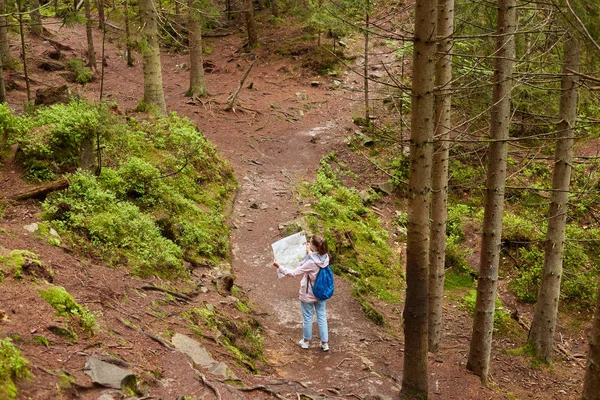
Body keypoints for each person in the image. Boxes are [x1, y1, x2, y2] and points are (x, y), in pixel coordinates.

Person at [274, 235, 330, 351]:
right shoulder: (326, 258)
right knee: (322, 317)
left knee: (308, 317)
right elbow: (316, 260)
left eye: (310, 243)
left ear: (314, 246)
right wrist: (310, 252)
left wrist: (279, 266)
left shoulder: (310, 263)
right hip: (321, 293)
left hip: (308, 294)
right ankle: (324, 343)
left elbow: (293, 273)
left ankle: (305, 341)